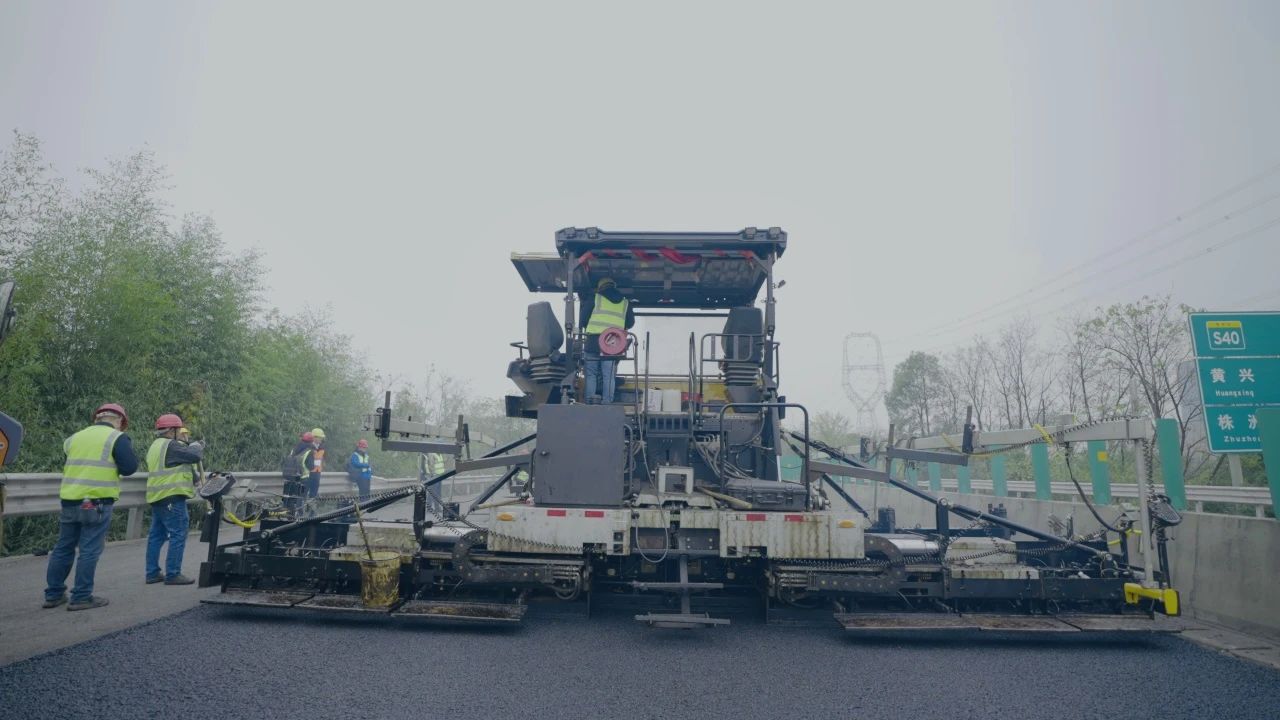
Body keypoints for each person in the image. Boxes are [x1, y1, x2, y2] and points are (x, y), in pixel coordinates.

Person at [44, 403, 138, 611]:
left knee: (63, 547)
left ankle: (53, 594)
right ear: (120, 421)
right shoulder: (117, 438)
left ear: (96, 418)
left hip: (70, 499)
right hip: (97, 502)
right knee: (89, 550)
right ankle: (81, 596)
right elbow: (129, 468)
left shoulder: (74, 438)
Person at [144, 414, 205, 585]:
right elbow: (194, 455)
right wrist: (196, 445)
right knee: (178, 533)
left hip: (157, 496)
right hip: (171, 496)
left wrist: (194, 478)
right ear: (172, 430)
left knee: (156, 535)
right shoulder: (171, 445)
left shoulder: (155, 446)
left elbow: (178, 464)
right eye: (179, 430)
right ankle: (173, 574)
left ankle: (152, 573)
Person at [579, 277, 635, 403]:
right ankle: (607, 403)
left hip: (593, 342)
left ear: (600, 287)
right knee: (608, 376)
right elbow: (630, 323)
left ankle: (590, 402)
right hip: (612, 344)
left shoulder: (595, 298)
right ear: (613, 286)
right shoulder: (625, 302)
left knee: (591, 374)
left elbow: (583, 319)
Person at [283, 431, 317, 516]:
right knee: (301, 498)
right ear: (311, 441)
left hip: (292, 477)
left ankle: (289, 514)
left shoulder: (294, 449)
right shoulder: (309, 451)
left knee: (291, 496)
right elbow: (311, 466)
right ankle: (299, 516)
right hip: (303, 478)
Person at [307, 427, 327, 499]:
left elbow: (323, 458)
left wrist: (323, 464)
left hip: (318, 471)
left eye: (322, 438)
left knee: (315, 488)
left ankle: (312, 503)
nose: (321, 439)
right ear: (314, 437)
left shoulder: (322, 447)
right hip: (309, 471)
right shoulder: (309, 447)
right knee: (307, 489)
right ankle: (306, 503)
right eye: (320, 437)